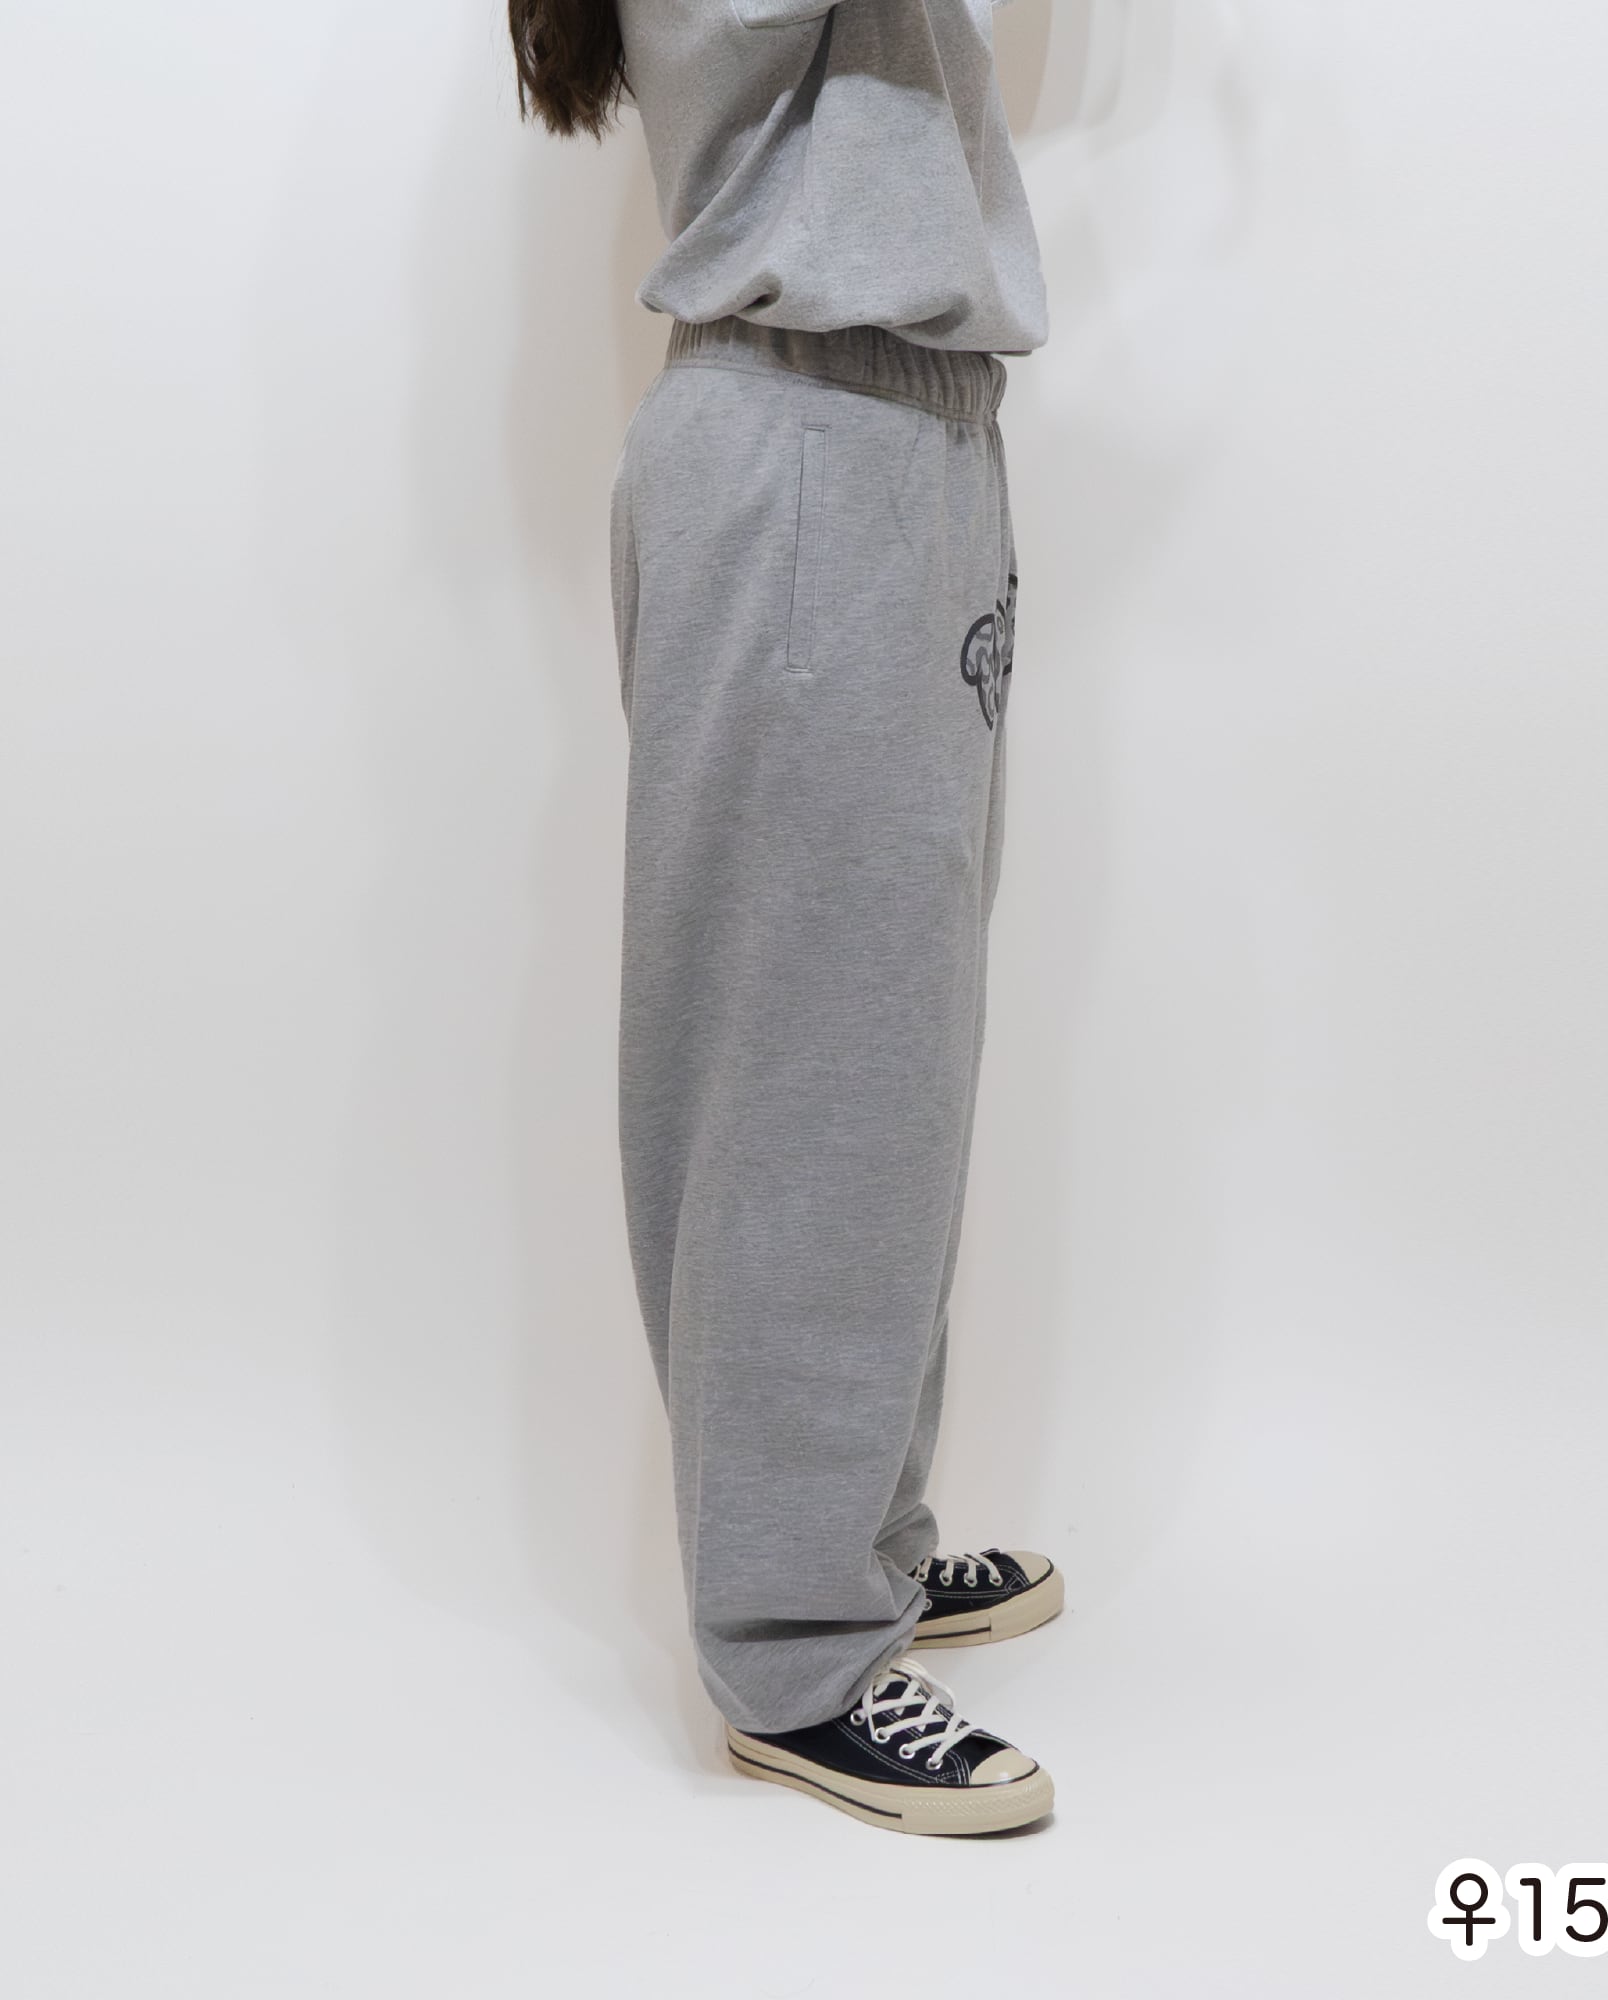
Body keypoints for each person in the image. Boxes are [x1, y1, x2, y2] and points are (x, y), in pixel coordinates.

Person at [510, 0, 1062, 1835]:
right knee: (804, 1069)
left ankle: (856, 1545)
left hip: (906, 435)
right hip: (809, 434)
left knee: (890, 1048)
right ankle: (796, 1648)